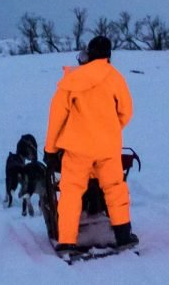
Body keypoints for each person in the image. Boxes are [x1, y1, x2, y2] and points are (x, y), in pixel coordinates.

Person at [44, 34, 137, 254]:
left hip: (77, 148)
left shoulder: (72, 80)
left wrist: (51, 149)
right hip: (108, 147)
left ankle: (67, 241)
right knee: (115, 189)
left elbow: (56, 117)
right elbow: (126, 112)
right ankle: (123, 236)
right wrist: (110, 129)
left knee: (71, 192)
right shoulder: (115, 77)